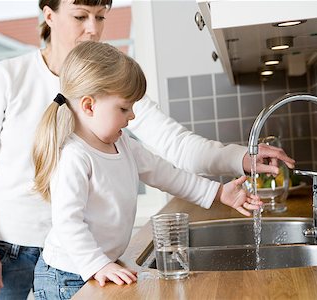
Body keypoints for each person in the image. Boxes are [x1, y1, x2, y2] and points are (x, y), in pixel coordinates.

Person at [0, 0, 294, 298]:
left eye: (101, 16)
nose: (93, 29)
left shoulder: (114, 91)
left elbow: (172, 154)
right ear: (49, 15)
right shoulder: (8, 77)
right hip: (5, 249)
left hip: (81, 256)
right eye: (80, 16)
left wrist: (239, 159)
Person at [32, 40, 262, 299]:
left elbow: (166, 174)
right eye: (124, 108)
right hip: (67, 275)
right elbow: (67, 222)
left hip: (95, 266)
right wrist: (98, 264)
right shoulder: (74, 156)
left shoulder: (124, 144)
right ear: (88, 106)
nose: (132, 116)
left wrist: (219, 192)